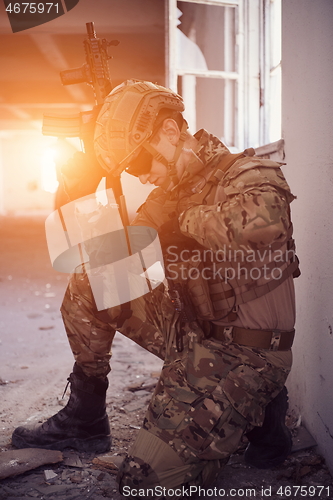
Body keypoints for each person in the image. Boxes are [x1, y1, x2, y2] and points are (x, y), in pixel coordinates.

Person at [12, 80, 299, 494]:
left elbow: (264, 227)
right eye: (131, 168)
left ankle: (261, 409)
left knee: (143, 481)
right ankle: (87, 416)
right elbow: (119, 256)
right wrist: (82, 187)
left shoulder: (247, 173)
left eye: (141, 161)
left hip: (248, 353)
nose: (141, 174)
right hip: (193, 335)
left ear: (168, 132)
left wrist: (183, 220)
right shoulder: (172, 192)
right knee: (93, 278)